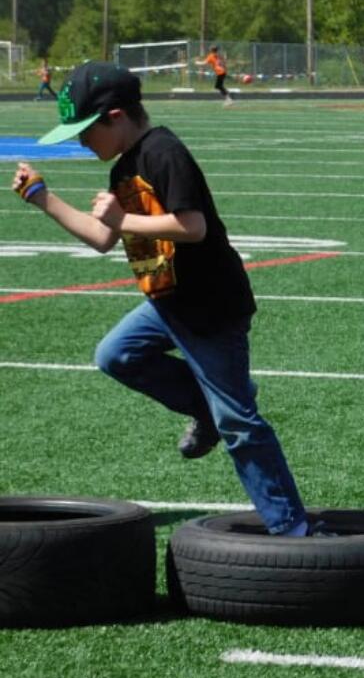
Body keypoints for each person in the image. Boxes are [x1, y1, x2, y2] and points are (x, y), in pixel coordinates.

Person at [12, 62, 310, 536]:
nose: (81, 142)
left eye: (86, 131)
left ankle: (292, 530)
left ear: (116, 116)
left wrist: (122, 221)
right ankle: (203, 410)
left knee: (239, 422)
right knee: (116, 354)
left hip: (209, 308)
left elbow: (192, 227)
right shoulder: (124, 168)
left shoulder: (163, 152)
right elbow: (101, 237)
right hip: (167, 303)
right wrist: (43, 198)